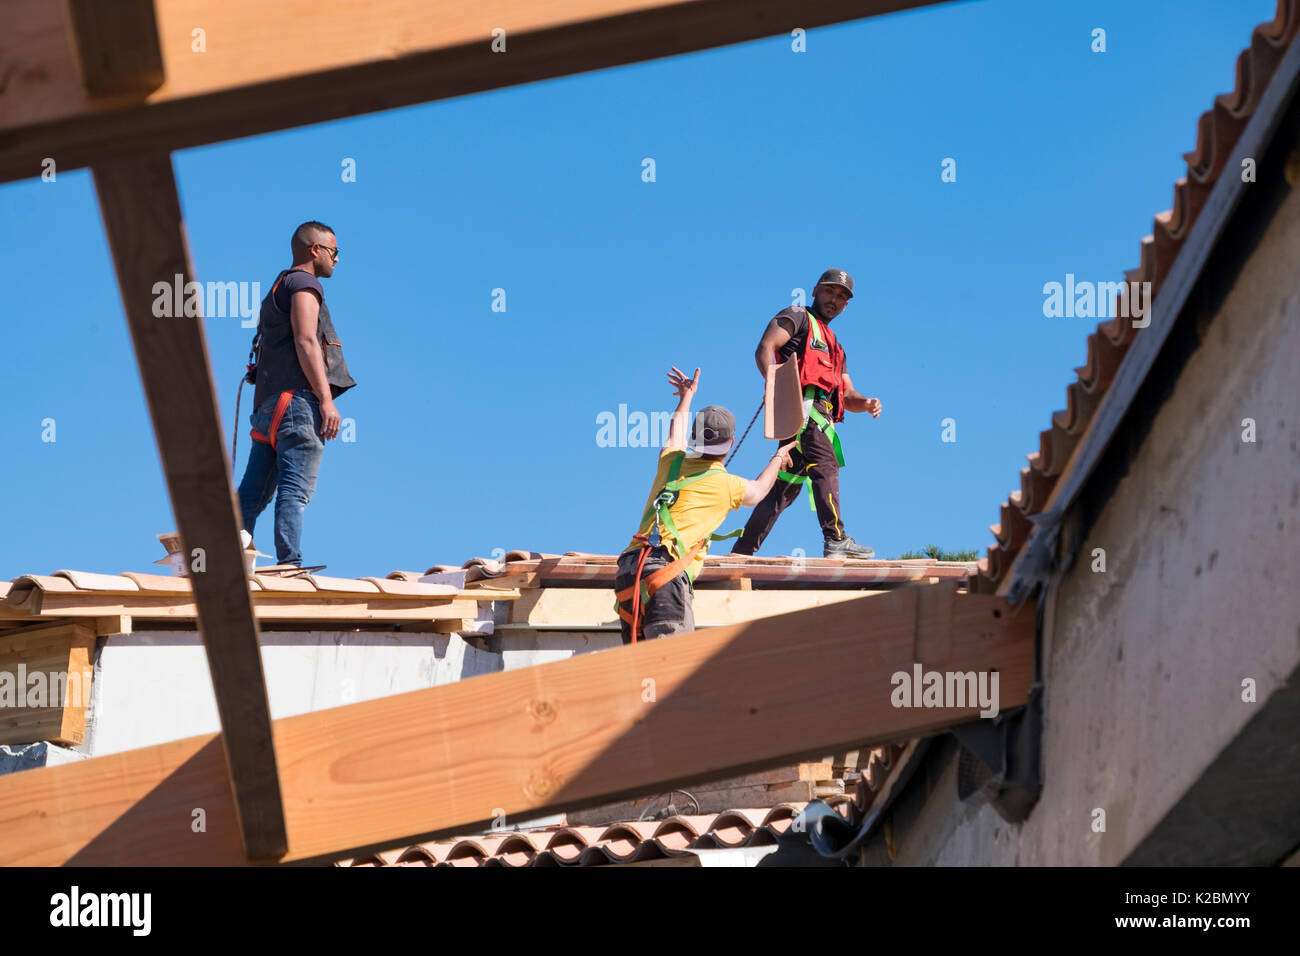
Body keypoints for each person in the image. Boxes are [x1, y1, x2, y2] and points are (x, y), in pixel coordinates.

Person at [615, 366, 796, 644]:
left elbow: (675, 434)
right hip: (666, 573)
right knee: (671, 669)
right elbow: (759, 491)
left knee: (640, 668)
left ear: (694, 441)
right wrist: (779, 458)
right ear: (731, 443)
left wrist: (686, 397)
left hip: (629, 570)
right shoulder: (727, 486)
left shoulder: (671, 461)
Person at [731, 268, 882, 559]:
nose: (834, 300)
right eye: (829, 291)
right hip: (803, 409)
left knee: (782, 490)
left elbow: (847, 393)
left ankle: (743, 550)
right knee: (826, 464)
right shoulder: (798, 316)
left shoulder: (836, 346)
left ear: (847, 305)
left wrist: (865, 403)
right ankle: (835, 538)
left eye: (841, 297)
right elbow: (765, 348)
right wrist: (774, 385)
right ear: (815, 290)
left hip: (817, 414)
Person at [237, 221, 356, 566]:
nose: (337, 260)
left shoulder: (277, 289)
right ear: (314, 249)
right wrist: (325, 400)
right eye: (334, 252)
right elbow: (306, 341)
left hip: (267, 409)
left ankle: (230, 558)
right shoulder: (305, 284)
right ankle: (289, 565)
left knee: (250, 495)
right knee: (294, 490)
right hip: (296, 406)